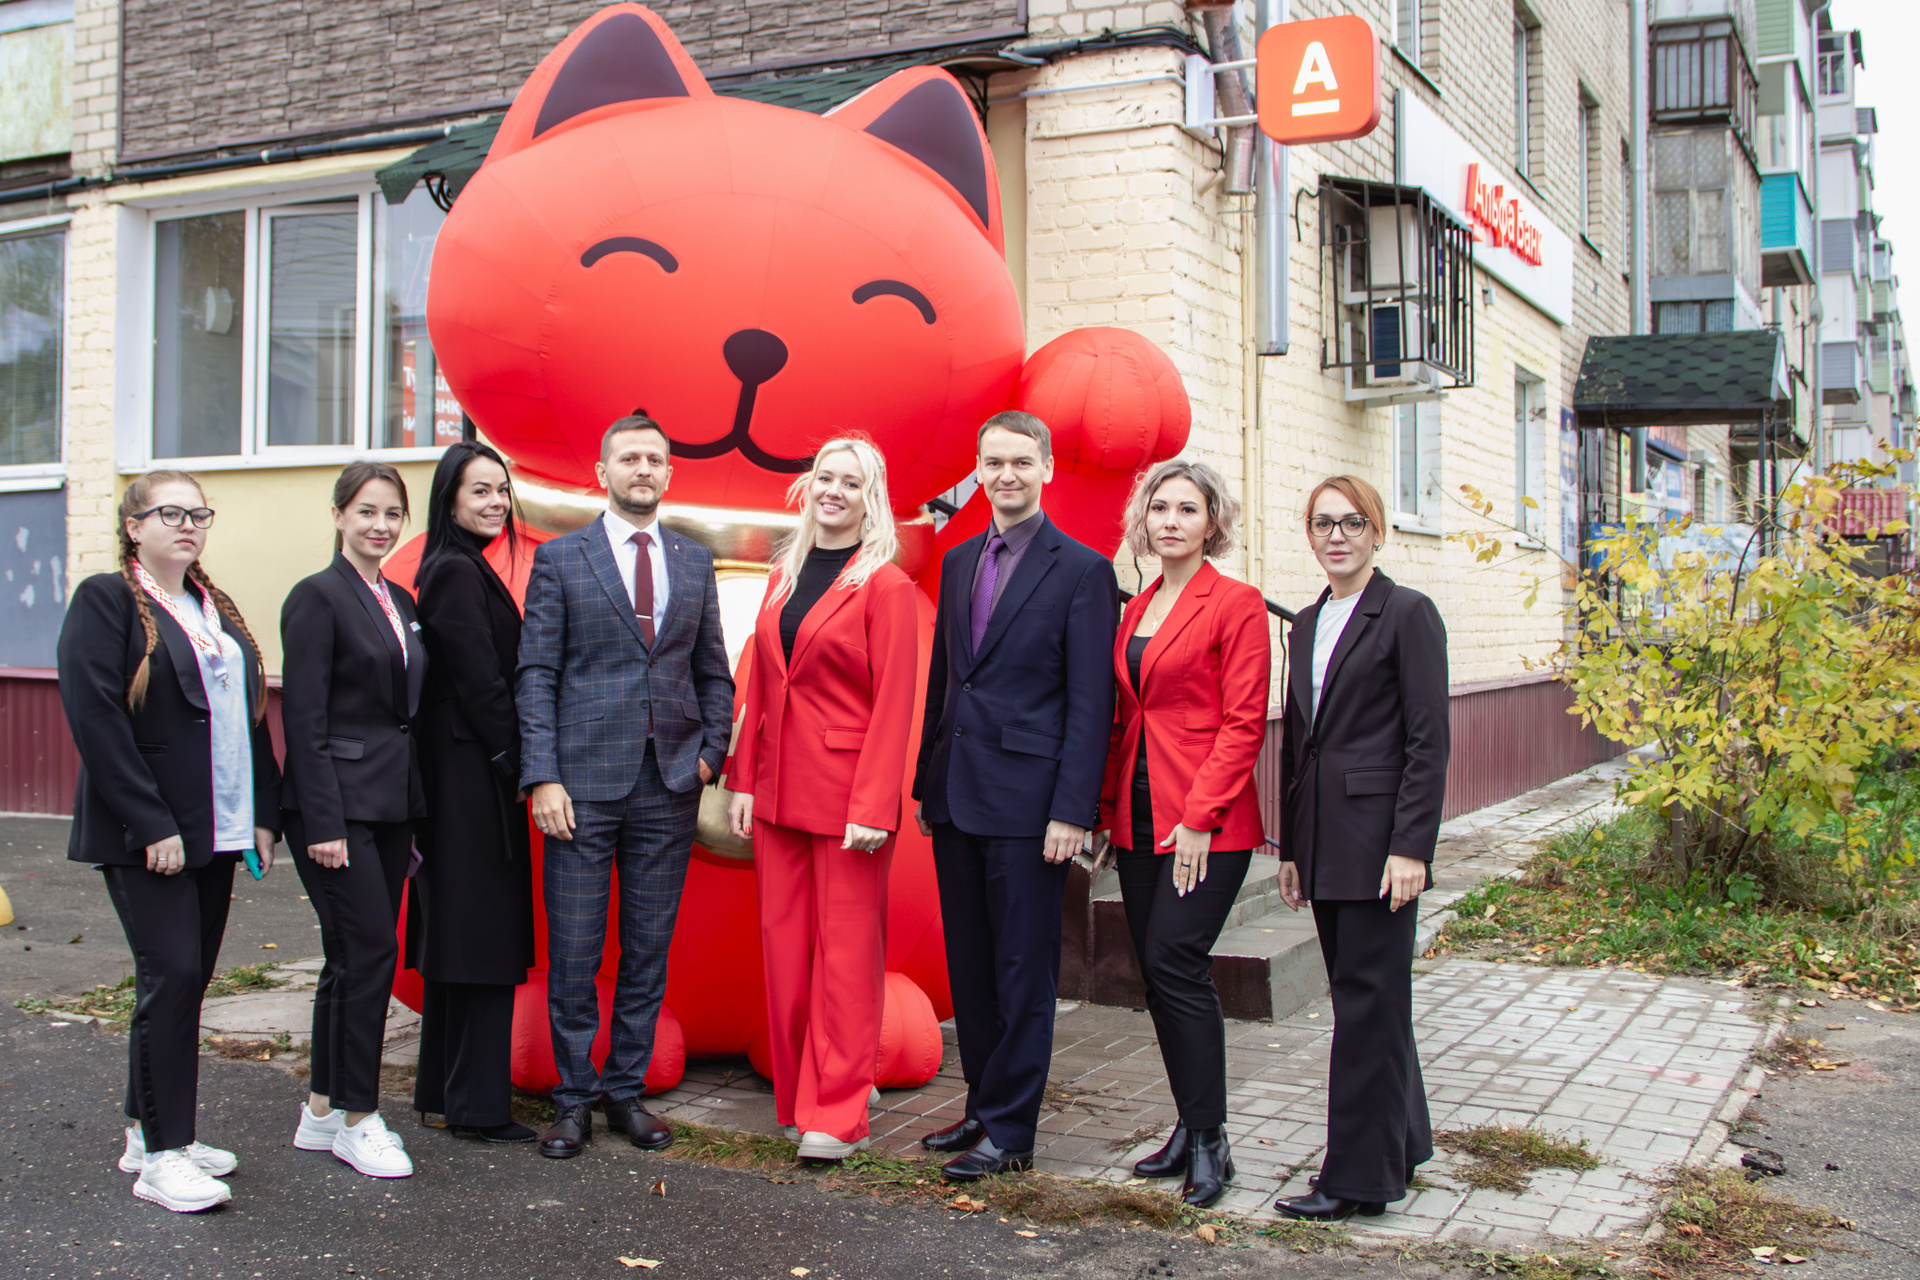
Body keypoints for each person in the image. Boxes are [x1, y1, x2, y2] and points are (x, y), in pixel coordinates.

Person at [56, 471, 280, 1213]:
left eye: (198, 514)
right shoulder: (108, 600)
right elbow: (95, 718)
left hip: (217, 828)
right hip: (149, 833)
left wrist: (264, 811)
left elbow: (249, 716)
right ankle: (164, 1156)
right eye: (170, 512)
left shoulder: (213, 607)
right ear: (133, 526)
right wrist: (150, 822)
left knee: (187, 981)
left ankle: (145, 1131)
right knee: (173, 975)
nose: (188, 524)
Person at [517, 414, 735, 1160]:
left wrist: (710, 754)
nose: (643, 468)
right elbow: (537, 673)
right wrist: (543, 775)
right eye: (629, 458)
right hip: (579, 788)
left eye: (654, 459)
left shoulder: (693, 561)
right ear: (603, 472)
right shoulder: (561, 558)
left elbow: (713, 670)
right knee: (576, 953)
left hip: (668, 784)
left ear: (669, 473)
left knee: (647, 950)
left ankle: (625, 1093)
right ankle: (574, 1101)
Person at [911, 410, 1119, 1182]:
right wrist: (926, 782)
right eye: (994, 463)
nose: (1007, 475)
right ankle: (981, 1105)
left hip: (1032, 806)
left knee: (1022, 970)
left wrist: (1072, 809)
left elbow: (1091, 702)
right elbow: (945, 681)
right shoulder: (959, 560)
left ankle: (1012, 1133)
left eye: (1021, 462)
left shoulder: (1083, 571)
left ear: (1047, 469)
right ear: (979, 469)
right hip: (956, 794)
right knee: (969, 966)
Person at [725, 437, 919, 1163]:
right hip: (778, 790)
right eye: (825, 477)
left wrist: (874, 806)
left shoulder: (886, 586)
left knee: (845, 955)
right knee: (785, 952)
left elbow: (895, 702)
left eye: (851, 482)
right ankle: (801, 1093)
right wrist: (743, 779)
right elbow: (758, 684)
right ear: (807, 487)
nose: (834, 491)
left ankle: (837, 1112)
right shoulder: (784, 573)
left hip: (847, 800)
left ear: (872, 500)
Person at [1273, 476, 1448, 1222]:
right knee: (1368, 1002)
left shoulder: (1407, 613)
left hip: (1380, 845)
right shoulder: (1308, 622)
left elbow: (1428, 740)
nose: (1336, 536)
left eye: (1351, 523)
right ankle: (1400, 1144)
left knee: (1368, 1007)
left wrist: (1411, 847)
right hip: (1323, 841)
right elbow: (1299, 741)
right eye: (1323, 524)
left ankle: (1355, 1180)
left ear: (1378, 531)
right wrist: (1291, 845)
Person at [1097, 459, 1270, 1208]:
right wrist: (1106, 811)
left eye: (1187, 509)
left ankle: (1210, 1141)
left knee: (1177, 961)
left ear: (1212, 523)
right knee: (1156, 974)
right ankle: (1189, 1124)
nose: (1171, 520)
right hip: (1137, 815)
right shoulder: (1136, 607)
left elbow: (1244, 721)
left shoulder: (1236, 603)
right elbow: (1124, 717)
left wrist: (1200, 819)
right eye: (1160, 508)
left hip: (1205, 821)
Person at [281, 461, 427, 1180]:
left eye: (393, 513)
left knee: (348, 956)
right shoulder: (316, 596)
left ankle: (320, 1109)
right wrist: (323, 822)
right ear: (339, 514)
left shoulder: (398, 598)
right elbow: (304, 719)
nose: (380, 525)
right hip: (336, 809)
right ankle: (360, 1117)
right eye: (367, 511)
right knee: (370, 951)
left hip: (391, 804)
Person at [407, 441, 537, 1145]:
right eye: (479, 491)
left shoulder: (457, 565)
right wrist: (519, 764)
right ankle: (478, 1108)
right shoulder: (456, 571)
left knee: (459, 935)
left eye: (500, 490)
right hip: (471, 777)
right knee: (480, 935)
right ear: (450, 499)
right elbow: (481, 679)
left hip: (460, 773)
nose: (495, 502)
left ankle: (442, 1093)